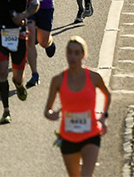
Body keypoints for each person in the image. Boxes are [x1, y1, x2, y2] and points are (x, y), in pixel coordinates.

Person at [45, 36, 111, 177]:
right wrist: (52, 114)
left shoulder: (94, 77)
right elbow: (47, 110)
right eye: (70, 52)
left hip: (91, 134)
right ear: (66, 54)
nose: (73, 56)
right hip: (68, 137)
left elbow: (107, 94)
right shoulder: (57, 80)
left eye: (77, 53)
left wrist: (103, 117)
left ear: (83, 55)